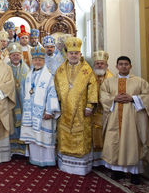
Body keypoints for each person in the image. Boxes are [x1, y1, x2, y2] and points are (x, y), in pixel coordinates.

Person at [100, 56, 149, 184]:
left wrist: (133, 98)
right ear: (116, 66)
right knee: (114, 141)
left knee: (132, 142)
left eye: (126, 64)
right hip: (114, 118)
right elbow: (103, 96)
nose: (124, 66)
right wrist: (114, 99)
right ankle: (117, 171)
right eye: (121, 64)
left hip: (132, 120)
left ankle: (134, 173)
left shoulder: (140, 82)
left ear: (130, 66)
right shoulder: (108, 82)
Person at [54, 37, 98, 175]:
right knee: (65, 135)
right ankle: (65, 165)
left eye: (76, 53)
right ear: (67, 54)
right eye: (71, 53)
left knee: (81, 135)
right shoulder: (60, 70)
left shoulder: (87, 70)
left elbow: (93, 87)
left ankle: (81, 168)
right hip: (64, 109)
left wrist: (90, 105)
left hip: (81, 110)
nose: (73, 55)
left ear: (80, 54)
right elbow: (55, 89)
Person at [20, 46, 60, 167]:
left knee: (43, 136)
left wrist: (49, 111)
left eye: (40, 60)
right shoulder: (29, 75)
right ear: (32, 61)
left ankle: (47, 161)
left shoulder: (48, 76)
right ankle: (35, 159)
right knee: (34, 136)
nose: (37, 62)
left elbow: (52, 93)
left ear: (44, 61)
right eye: (35, 60)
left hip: (43, 113)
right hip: (31, 112)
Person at [91, 50, 114, 166]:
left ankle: (105, 161)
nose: (99, 65)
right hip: (92, 112)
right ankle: (94, 162)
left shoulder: (112, 78)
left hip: (106, 113)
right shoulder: (89, 76)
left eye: (102, 63)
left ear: (106, 65)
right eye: (97, 63)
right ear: (94, 65)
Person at [7, 42, 30, 157]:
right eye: (13, 55)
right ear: (9, 56)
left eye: (17, 55)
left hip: (22, 102)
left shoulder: (26, 69)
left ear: (21, 56)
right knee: (10, 122)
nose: (15, 57)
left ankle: (22, 150)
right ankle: (11, 150)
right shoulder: (5, 68)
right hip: (10, 101)